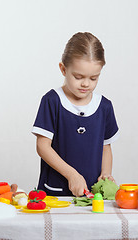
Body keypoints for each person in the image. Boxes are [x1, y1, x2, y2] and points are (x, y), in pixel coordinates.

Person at [32, 32, 119, 197]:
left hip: (92, 195)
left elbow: (106, 146)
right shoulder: (52, 101)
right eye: (78, 77)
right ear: (63, 69)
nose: (86, 83)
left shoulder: (104, 106)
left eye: (93, 78)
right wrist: (72, 175)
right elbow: (42, 146)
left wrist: (106, 173)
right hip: (55, 193)